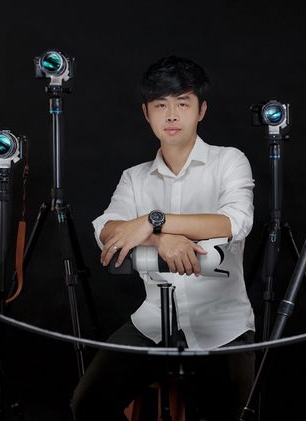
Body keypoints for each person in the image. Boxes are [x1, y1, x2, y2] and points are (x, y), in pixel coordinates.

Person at [71, 55, 256, 421]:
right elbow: (106, 229)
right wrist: (160, 240)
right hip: (153, 320)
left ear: (201, 110)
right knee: (87, 405)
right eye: (160, 105)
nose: (171, 116)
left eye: (182, 104)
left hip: (222, 323)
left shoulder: (229, 160)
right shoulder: (134, 177)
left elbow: (234, 222)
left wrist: (153, 221)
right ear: (146, 113)